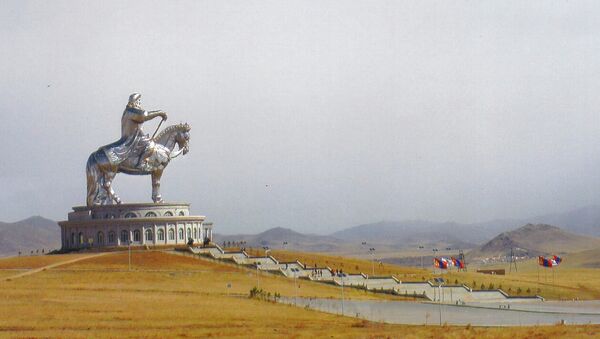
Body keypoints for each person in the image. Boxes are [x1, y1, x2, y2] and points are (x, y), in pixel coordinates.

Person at [102, 93, 167, 170]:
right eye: (138, 101)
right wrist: (159, 113)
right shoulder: (132, 112)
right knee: (150, 145)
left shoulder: (128, 111)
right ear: (134, 102)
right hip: (133, 139)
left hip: (134, 137)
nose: (139, 103)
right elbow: (145, 116)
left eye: (139, 101)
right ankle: (141, 163)